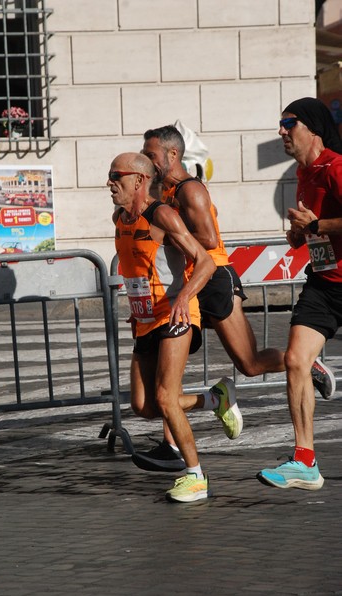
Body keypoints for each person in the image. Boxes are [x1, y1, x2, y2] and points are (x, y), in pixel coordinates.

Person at [132, 124, 335, 473]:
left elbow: (209, 241)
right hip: (185, 285)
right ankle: (171, 445)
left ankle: (302, 363)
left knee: (250, 363)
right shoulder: (165, 192)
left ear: (172, 155)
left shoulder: (189, 190)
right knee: (170, 368)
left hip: (213, 280)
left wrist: (172, 235)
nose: (147, 161)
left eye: (151, 155)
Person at [109, 151, 242, 502]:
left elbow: (204, 262)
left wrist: (184, 296)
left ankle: (195, 476)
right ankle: (215, 399)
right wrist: (137, 309)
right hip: (146, 319)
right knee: (144, 406)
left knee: (166, 397)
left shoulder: (163, 215)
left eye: (116, 177)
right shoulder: (119, 218)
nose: (109, 184)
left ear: (139, 181)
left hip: (175, 315)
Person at [257, 97, 342, 490]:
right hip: (325, 284)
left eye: (288, 123)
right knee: (295, 359)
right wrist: (300, 234)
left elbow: (323, 222)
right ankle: (305, 461)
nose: (281, 131)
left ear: (311, 129)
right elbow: (313, 231)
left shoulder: (336, 166)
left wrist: (317, 222)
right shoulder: (303, 174)